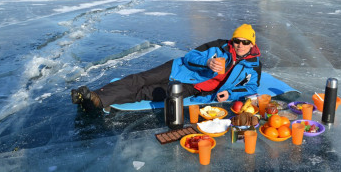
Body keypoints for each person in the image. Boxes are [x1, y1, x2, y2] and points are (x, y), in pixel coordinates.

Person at [71, 24, 262, 111]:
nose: (240, 45)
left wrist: (230, 94)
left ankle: (97, 100)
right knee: (140, 79)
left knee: (147, 93)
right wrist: (207, 62)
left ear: (252, 44)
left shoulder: (253, 65)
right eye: (237, 40)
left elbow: (251, 88)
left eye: (245, 42)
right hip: (178, 69)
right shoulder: (219, 46)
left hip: (194, 87)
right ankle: (91, 95)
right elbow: (190, 56)